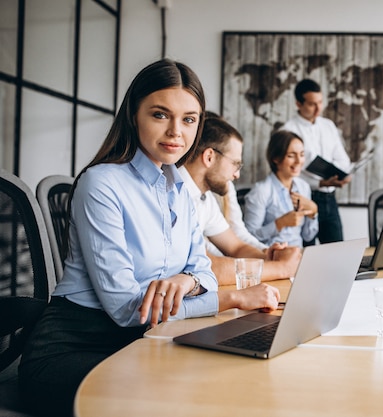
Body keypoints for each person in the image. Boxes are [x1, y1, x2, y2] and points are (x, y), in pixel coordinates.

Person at [18, 59, 280, 417]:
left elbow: (202, 271)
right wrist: (232, 297)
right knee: (184, 397)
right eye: (160, 115)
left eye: (189, 119)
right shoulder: (102, 184)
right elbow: (128, 309)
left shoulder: (182, 193)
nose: (176, 131)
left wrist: (186, 281)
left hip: (141, 343)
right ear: (134, 115)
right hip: (73, 350)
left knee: (235, 376)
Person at [179, 114, 301, 285]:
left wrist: (267, 257)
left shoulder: (205, 199)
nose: (237, 175)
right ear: (209, 157)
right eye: (235, 164)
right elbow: (204, 268)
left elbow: (236, 247)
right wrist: (281, 268)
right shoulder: (174, 195)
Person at [281, 78, 351, 245]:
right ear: (298, 104)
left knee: (338, 251)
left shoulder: (328, 126)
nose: (319, 108)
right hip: (303, 199)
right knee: (307, 254)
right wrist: (320, 183)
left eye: (320, 102)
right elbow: (288, 173)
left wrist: (340, 177)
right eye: (312, 104)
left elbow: (343, 159)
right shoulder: (287, 130)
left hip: (330, 200)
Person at [244, 130, 318, 247]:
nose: (299, 161)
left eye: (302, 154)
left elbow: (308, 236)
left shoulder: (304, 187)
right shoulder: (261, 191)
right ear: (276, 158)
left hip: (298, 256)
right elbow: (248, 237)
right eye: (291, 156)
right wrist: (279, 223)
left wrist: (313, 212)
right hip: (271, 257)